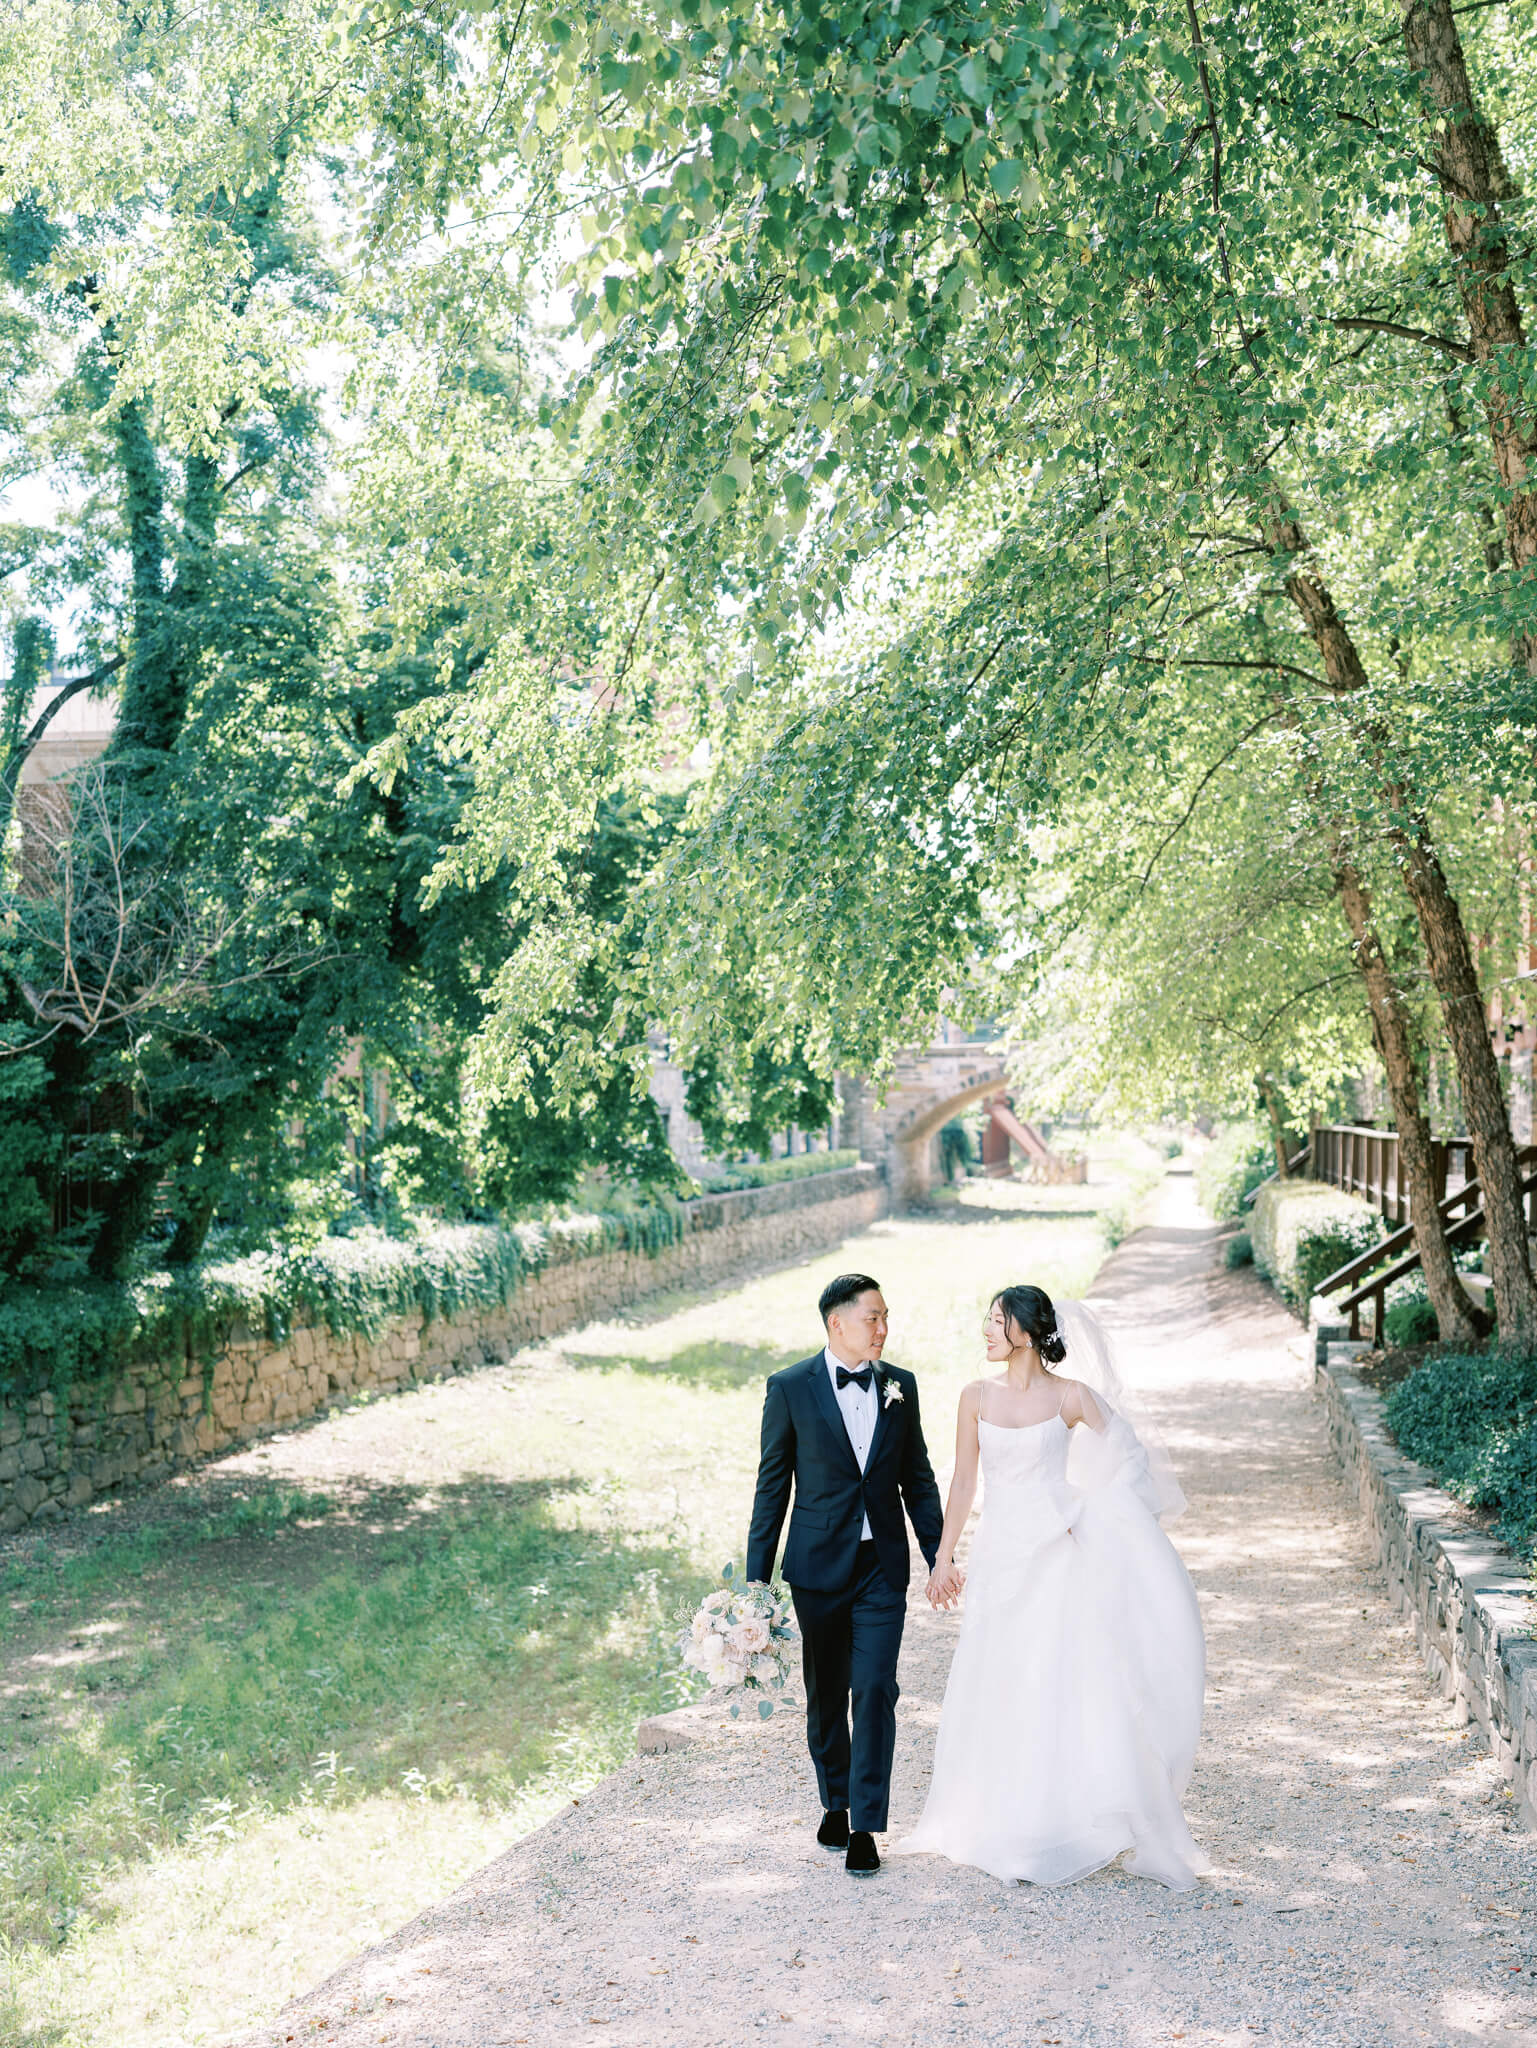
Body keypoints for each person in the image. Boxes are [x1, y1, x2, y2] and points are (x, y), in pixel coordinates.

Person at [898, 1283, 1210, 1889]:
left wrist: (1090, 1513)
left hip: (1056, 1557)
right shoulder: (974, 1396)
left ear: (1024, 1330)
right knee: (998, 1677)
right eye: (987, 1320)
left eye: (995, 1320)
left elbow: (1130, 1457)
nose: (986, 1331)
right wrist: (942, 1557)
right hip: (999, 1556)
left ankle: (1060, 1816)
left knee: (1055, 1680)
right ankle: (998, 1815)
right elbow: (963, 1484)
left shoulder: (1071, 1396)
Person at [745, 1273, 943, 1877]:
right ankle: (834, 1799)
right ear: (838, 1323)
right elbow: (772, 1486)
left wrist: (940, 1555)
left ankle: (864, 1824)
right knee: (827, 1693)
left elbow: (919, 1477)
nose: (883, 1329)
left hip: (882, 1566)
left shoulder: (900, 1387)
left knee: (876, 1688)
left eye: (886, 1317)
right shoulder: (789, 1389)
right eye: (873, 1318)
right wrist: (757, 1582)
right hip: (817, 1568)